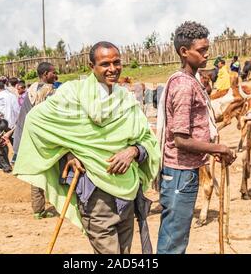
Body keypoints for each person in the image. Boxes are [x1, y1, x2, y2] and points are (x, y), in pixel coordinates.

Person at [13, 42, 161, 254]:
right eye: (105, 64)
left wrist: (133, 151)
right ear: (92, 66)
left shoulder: (125, 99)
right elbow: (35, 121)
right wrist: (68, 153)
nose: (113, 68)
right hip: (95, 195)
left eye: (116, 62)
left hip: (127, 191)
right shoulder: (73, 95)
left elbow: (147, 139)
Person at [156, 21, 236, 254]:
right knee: (173, 242)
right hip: (180, 173)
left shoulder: (192, 80)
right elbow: (180, 139)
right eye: (201, 50)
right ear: (184, 52)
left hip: (184, 172)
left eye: (206, 49)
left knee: (176, 238)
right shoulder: (184, 86)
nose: (207, 54)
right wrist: (217, 149)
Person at [12, 62, 58, 219]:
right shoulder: (49, 92)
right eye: (53, 73)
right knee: (47, 170)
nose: (56, 75)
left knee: (37, 171)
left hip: (27, 136)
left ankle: (38, 209)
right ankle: (54, 204)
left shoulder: (30, 91)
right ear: (45, 74)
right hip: (40, 138)